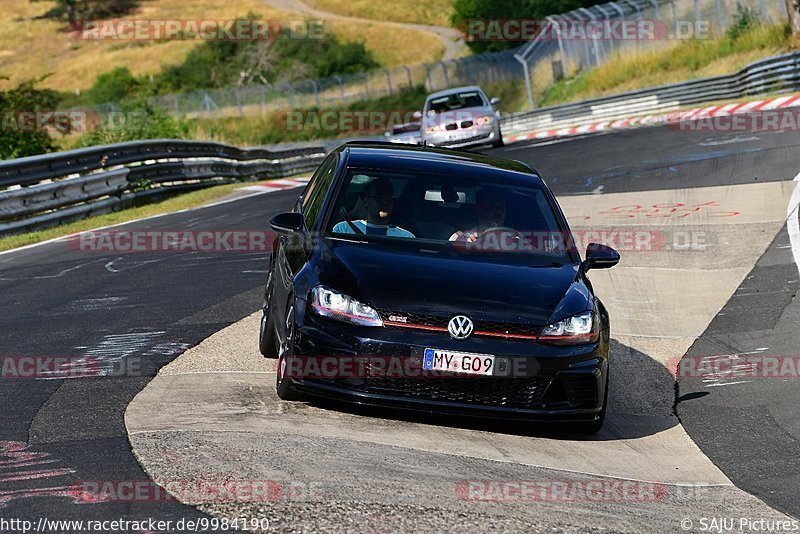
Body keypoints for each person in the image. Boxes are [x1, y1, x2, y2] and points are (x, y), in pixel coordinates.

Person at [332, 178, 415, 238]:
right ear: (366, 201)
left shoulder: (406, 237)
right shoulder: (343, 229)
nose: (385, 202)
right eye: (379, 197)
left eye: (389, 198)